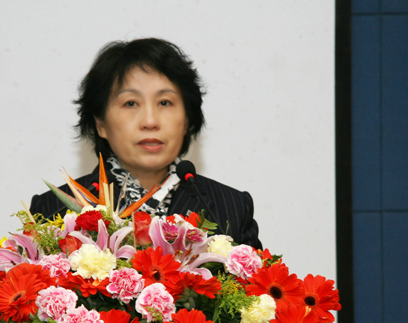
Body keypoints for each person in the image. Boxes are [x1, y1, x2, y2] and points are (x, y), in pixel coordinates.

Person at [30, 38, 262, 249]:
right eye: (131, 103)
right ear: (100, 124)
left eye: (165, 103)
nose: (150, 121)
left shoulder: (230, 207)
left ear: (186, 120)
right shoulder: (53, 209)